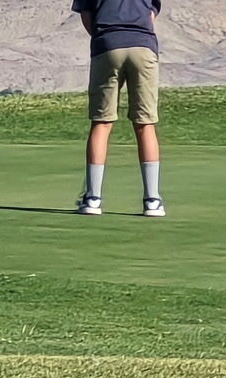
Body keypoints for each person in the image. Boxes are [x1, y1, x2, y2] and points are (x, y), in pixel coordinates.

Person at [71, 0, 163, 217]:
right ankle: (152, 200)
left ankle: (93, 198)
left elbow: (86, 15)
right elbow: (151, 14)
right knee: (145, 124)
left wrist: (104, 38)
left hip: (107, 44)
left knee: (101, 123)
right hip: (143, 45)